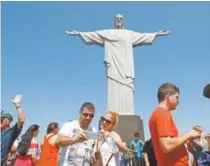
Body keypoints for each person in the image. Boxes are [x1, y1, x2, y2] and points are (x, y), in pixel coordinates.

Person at [65, 14, 170, 115]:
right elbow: (94, 35)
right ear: (114, 21)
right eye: (117, 18)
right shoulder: (108, 33)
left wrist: (156, 34)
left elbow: (142, 36)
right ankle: (112, 113)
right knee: (113, 89)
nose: (119, 20)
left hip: (126, 69)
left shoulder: (129, 34)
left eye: (121, 18)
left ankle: (128, 112)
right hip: (113, 68)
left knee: (127, 89)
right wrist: (79, 33)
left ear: (123, 21)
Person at [149, 83, 201, 166]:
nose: (178, 101)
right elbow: (167, 145)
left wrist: (189, 137)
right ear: (168, 96)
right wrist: (189, 134)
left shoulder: (159, 113)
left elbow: (170, 142)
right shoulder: (162, 113)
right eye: (176, 97)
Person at [1, 94, 25, 166]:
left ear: (8, 121)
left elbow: (21, 120)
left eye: (2, 119)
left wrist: (17, 105)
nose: (0, 121)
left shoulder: (11, 132)